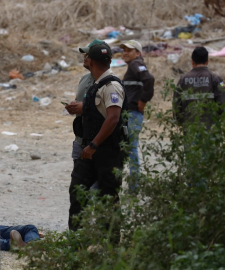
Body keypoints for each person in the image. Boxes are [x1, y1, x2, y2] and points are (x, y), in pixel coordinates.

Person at [68, 43, 126, 232]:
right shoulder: (95, 83)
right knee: (78, 194)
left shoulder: (111, 86)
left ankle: (108, 245)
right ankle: (79, 243)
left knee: (108, 199)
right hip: (90, 151)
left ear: (90, 61)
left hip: (105, 153)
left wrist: (94, 144)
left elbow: (113, 118)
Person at [120, 40, 155, 187]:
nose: (125, 53)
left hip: (133, 113)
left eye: (129, 50)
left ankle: (134, 186)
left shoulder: (136, 64)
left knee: (130, 148)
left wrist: (143, 101)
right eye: (124, 50)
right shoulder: (133, 67)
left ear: (138, 53)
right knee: (129, 147)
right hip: (131, 113)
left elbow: (149, 79)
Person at [65, 39, 103, 166]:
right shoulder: (84, 78)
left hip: (98, 143)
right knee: (78, 183)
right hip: (80, 140)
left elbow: (112, 114)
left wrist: (85, 108)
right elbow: (79, 100)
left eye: (88, 55)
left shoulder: (109, 82)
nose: (84, 58)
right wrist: (74, 106)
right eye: (84, 54)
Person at [173, 47, 225, 129]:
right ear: (207, 62)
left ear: (192, 62)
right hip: (210, 127)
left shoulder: (183, 79)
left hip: (189, 127)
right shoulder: (216, 79)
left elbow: (176, 102)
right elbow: (223, 102)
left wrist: (180, 121)